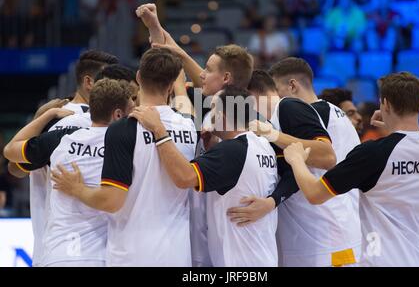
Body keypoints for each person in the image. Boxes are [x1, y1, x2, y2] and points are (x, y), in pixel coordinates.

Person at [48, 48, 198, 266]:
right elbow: (184, 105)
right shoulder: (188, 126)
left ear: (138, 77)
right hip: (178, 254)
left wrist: (77, 189)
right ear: (170, 86)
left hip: (130, 254)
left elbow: (112, 201)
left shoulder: (122, 129)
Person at [283, 72, 419, 267]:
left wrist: (296, 160)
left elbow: (314, 194)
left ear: (385, 104)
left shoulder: (372, 154)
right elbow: (409, 151)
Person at [229, 60, 361, 267]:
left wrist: (272, 134)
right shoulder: (335, 113)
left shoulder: (291, 107)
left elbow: (327, 157)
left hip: (325, 231)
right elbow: (297, 166)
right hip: (330, 225)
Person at [130, 86, 279, 267]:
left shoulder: (231, 151)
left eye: (213, 108)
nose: (209, 115)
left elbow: (184, 178)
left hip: (239, 263)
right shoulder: (264, 145)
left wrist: (159, 130)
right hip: (263, 254)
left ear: (223, 116)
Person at [3, 79, 134, 267]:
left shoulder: (62, 138)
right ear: (118, 114)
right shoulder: (127, 145)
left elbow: (10, 151)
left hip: (57, 253)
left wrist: (46, 114)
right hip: (102, 255)